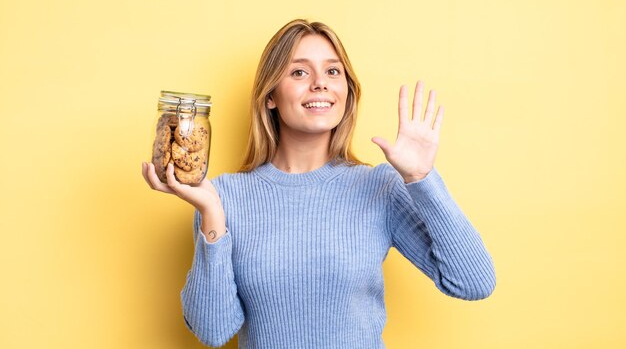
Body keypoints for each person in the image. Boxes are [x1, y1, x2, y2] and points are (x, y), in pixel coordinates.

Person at [141, 19, 496, 348]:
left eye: (332, 71)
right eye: (299, 71)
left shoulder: (378, 187)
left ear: (346, 91)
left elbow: (473, 282)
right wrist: (212, 216)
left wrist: (422, 179)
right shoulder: (223, 197)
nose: (320, 83)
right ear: (270, 96)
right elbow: (213, 330)